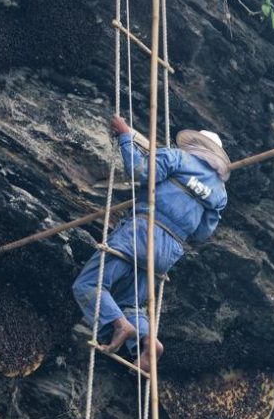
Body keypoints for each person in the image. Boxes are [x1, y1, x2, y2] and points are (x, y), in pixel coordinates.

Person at [73, 115, 230, 371]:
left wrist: (125, 135)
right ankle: (148, 340)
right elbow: (202, 234)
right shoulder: (220, 194)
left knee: (89, 284)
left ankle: (118, 324)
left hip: (142, 231)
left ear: (198, 146)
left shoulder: (180, 158)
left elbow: (141, 171)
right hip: (169, 251)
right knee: (131, 302)